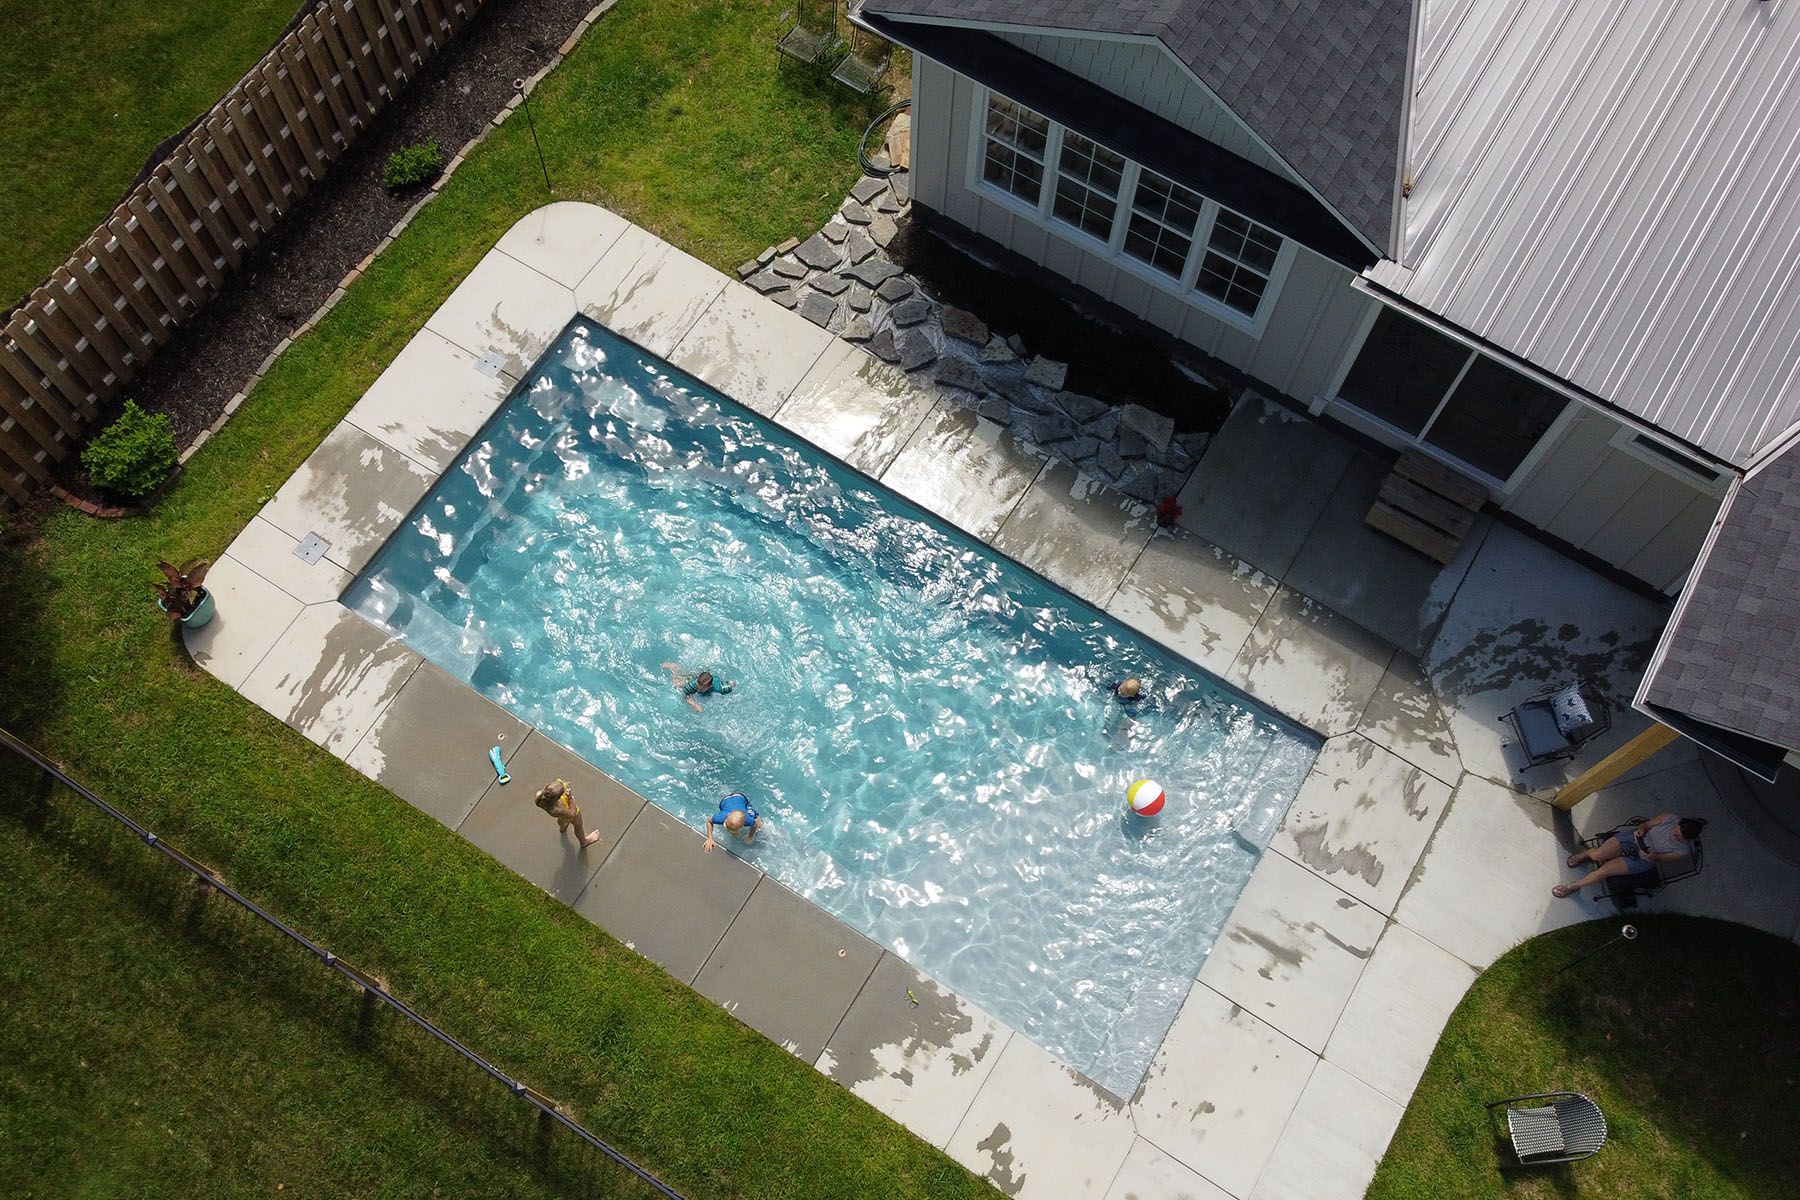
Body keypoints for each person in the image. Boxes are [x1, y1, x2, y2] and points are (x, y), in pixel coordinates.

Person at [1554, 812, 1706, 898]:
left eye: (1680, 838)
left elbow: (1661, 859)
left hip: (1643, 858)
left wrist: (1653, 856)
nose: (1675, 836)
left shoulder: (1683, 851)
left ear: (1687, 840)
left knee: (1604, 871)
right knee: (1599, 855)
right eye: (1676, 832)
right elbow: (1646, 824)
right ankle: (1585, 854)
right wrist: (1642, 830)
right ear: (1679, 824)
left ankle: (1572, 886)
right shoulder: (1671, 818)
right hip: (1634, 838)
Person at [534, 778, 602, 848]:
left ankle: (562, 827)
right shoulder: (559, 809)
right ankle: (584, 841)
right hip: (570, 814)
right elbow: (573, 814)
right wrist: (570, 798)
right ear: (557, 798)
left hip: (562, 816)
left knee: (561, 819)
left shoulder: (541, 797)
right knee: (578, 826)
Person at [663, 662, 736, 713]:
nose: (698, 689)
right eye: (698, 687)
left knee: (732, 683)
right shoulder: (694, 684)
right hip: (697, 676)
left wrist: (732, 683)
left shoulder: (718, 688)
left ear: (709, 687)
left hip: (714, 680)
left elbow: (732, 684)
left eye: (701, 689)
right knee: (676, 684)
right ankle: (674, 667)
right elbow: (685, 694)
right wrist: (693, 703)